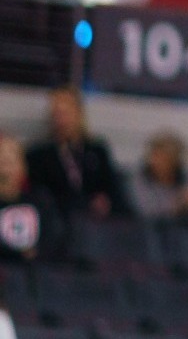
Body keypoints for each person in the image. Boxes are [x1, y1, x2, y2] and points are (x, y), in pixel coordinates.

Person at [25, 86, 130, 219]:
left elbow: (114, 190)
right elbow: (42, 197)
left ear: (79, 114)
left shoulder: (97, 151)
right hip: (60, 224)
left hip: (98, 225)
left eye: (67, 113)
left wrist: (107, 202)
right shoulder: (37, 155)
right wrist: (84, 204)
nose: (62, 120)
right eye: (57, 113)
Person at [0, 133, 63, 264]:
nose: (5, 168)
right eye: (2, 162)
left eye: (10, 161)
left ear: (22, 167)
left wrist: (37, 251)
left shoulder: (40, 199)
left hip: (37, 274)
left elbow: (53, 235)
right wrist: (16, 254)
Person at [129, 131, 188, 221]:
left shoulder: (187, 176)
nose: (156, 162)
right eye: (154, 156)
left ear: (174, 161)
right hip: (147, 229)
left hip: (182, 228)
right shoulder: (140, 177)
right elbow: (145, 210)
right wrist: (179, 204)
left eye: (163, 159)